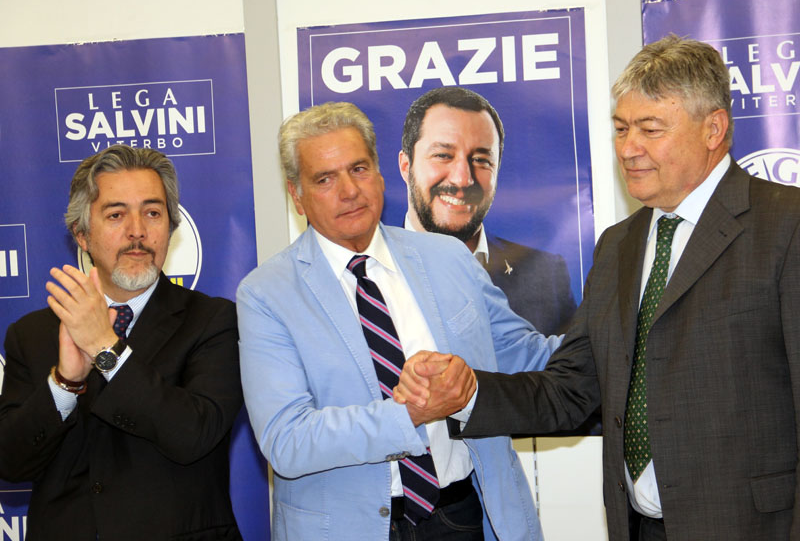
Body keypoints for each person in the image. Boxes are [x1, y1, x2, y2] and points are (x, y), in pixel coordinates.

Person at [396, 34, 800, 540]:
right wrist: (469, 392)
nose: (628, 149)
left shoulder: (786, 226)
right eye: (622, 128)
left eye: (650, 129)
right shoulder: (618, 245)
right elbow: (571, 389)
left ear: (713, 129)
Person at [236, 101, 561, 541]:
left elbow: (523, 354)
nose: (349, 191)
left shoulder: (449, 257)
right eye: (325, 179)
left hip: (460, 516)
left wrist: (616, 334)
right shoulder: (266, 294)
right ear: (296, 194)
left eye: (359, 169)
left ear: (382, 174)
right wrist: (408, 414)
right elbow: (287, 441)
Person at [0, 146, 243, 540]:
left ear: (171, 226)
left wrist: (105, 348)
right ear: (82, 235)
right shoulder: (31, 334)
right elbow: (11, 463)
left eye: (153, 213)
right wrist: (64, 384)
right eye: (116, 215)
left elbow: (194, 434)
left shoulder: (213, 320)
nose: (137, 231)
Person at [399, 86, 576, 335]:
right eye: (443, 155)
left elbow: (569, 361)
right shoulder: (364, 273)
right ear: (406, 166)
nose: (462, 179)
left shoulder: (546, 276)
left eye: (481, 160)